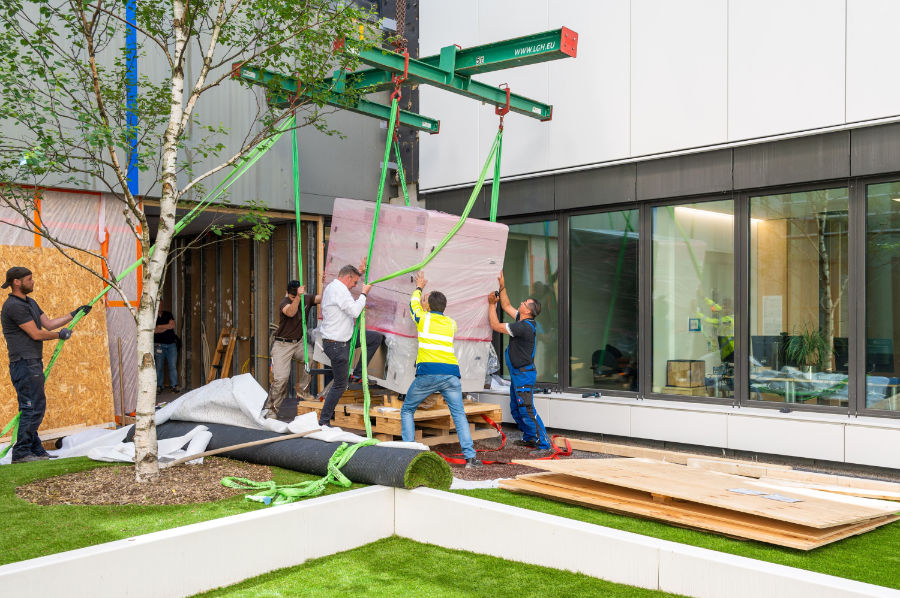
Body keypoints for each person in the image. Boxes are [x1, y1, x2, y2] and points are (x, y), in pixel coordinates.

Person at [1, 266, 90, 463]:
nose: (33, 282)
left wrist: (75, 314)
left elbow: (48, 324)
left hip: (32, 363)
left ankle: (36, 449)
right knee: (32, 408)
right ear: (17, 282)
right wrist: (60, 336)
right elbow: (36, 333)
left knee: (34, 407)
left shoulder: (30, 303)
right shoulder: (13, 306)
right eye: (29, 279)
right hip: (23, 364)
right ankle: (22, 453)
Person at [403, 272, 482, 468]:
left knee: (407, 409)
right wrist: (426, 307)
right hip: (451, 374)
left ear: (428, 306)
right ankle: (470, 458)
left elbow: (412, 303)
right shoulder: (452, 323)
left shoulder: (423, 318)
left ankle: (409, 455)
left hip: (428, 373)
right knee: (459, 414)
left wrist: (419, 286)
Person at [488, 272, 551, 451]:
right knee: (516, 408)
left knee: (526, 408)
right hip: (518, 373)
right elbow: (506, 305)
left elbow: (495, 325)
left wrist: (491, 305)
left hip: (524, 374)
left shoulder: (523, 327)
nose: (521, 303)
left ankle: (543, 442)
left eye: (524, 303)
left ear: (528, 311)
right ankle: (530, 438)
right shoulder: (522, 320)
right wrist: (502, 285)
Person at [317, 259, 385, 427]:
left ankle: (359, 373)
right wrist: (364, 294)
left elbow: (350, 302)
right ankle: (324, 422)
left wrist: (360, 274)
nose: (354, 285)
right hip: (337, 344)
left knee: (375, 338)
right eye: (354, 282)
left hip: (345, 339)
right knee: (340, 384)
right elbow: (355, 310)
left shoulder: (337, 287)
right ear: (347, 278)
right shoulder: (337, 290)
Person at [262, 279, 321, 419]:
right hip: (282, 345)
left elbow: (322, 298)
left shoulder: (306, 298)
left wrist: (326, 283)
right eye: (292, 296)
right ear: (287, 293)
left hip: (299, 342)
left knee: (312, 358)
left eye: (297, 296)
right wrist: (298, 297)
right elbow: (291, 313)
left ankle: (302, 388)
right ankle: (271, 410)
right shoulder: (284, 302)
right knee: (281, 379)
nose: (295, 299)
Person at [154, 304, 180, 393]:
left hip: (171, 345)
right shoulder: (152, 315)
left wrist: (160, 326)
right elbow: (154, 330)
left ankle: (174, 386)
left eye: (161, 304)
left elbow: (172, 326)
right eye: (158, 304)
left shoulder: (168, 314)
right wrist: (166, 326)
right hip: (159, 345)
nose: (160, 306)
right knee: (159, 366)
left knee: (172, 366)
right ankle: (159, 386)